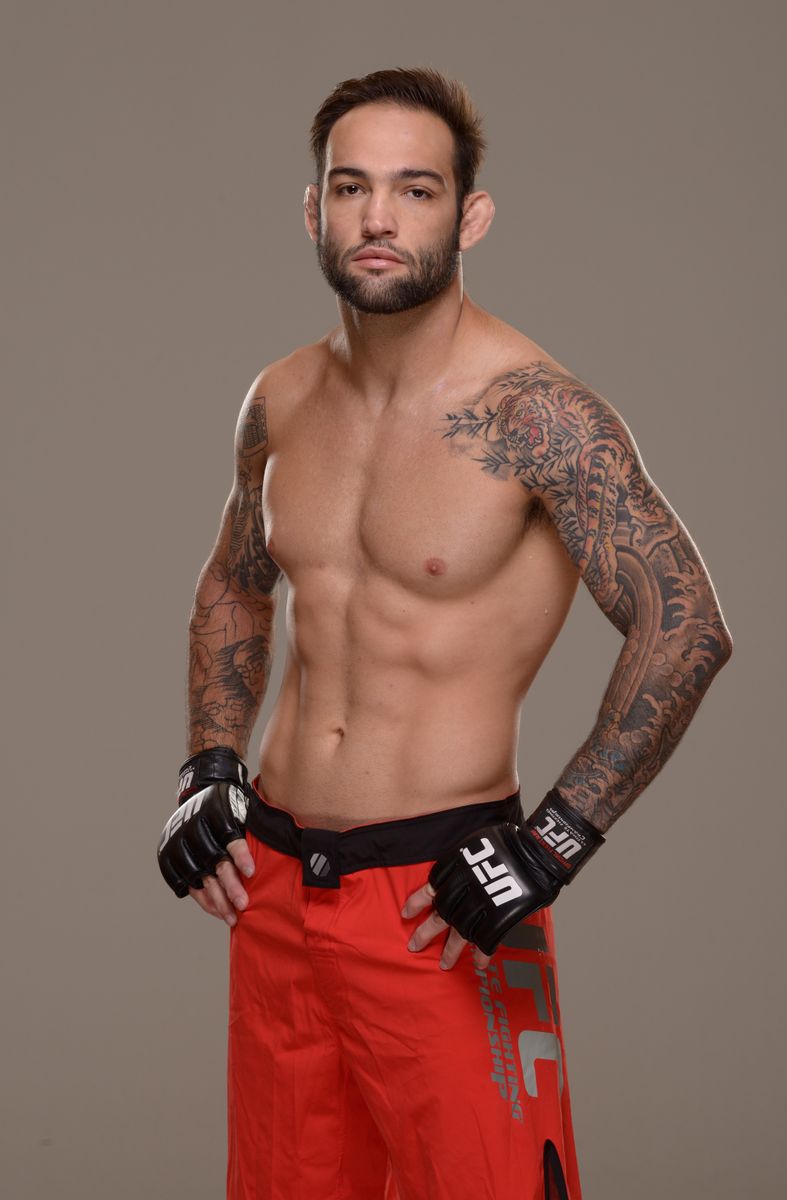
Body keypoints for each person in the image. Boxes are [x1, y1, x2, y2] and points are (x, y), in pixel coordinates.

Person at [157, 66, 733, 1200]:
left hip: (444, 902)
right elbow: (235, 583)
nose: (378, 217)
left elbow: (684, 626)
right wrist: (208, 766)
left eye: (414, 190)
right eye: (351, 187)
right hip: (274, 889)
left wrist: (553, 842)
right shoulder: (277, 399)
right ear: (312, 208)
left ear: (467, 216)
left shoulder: (539, 418)